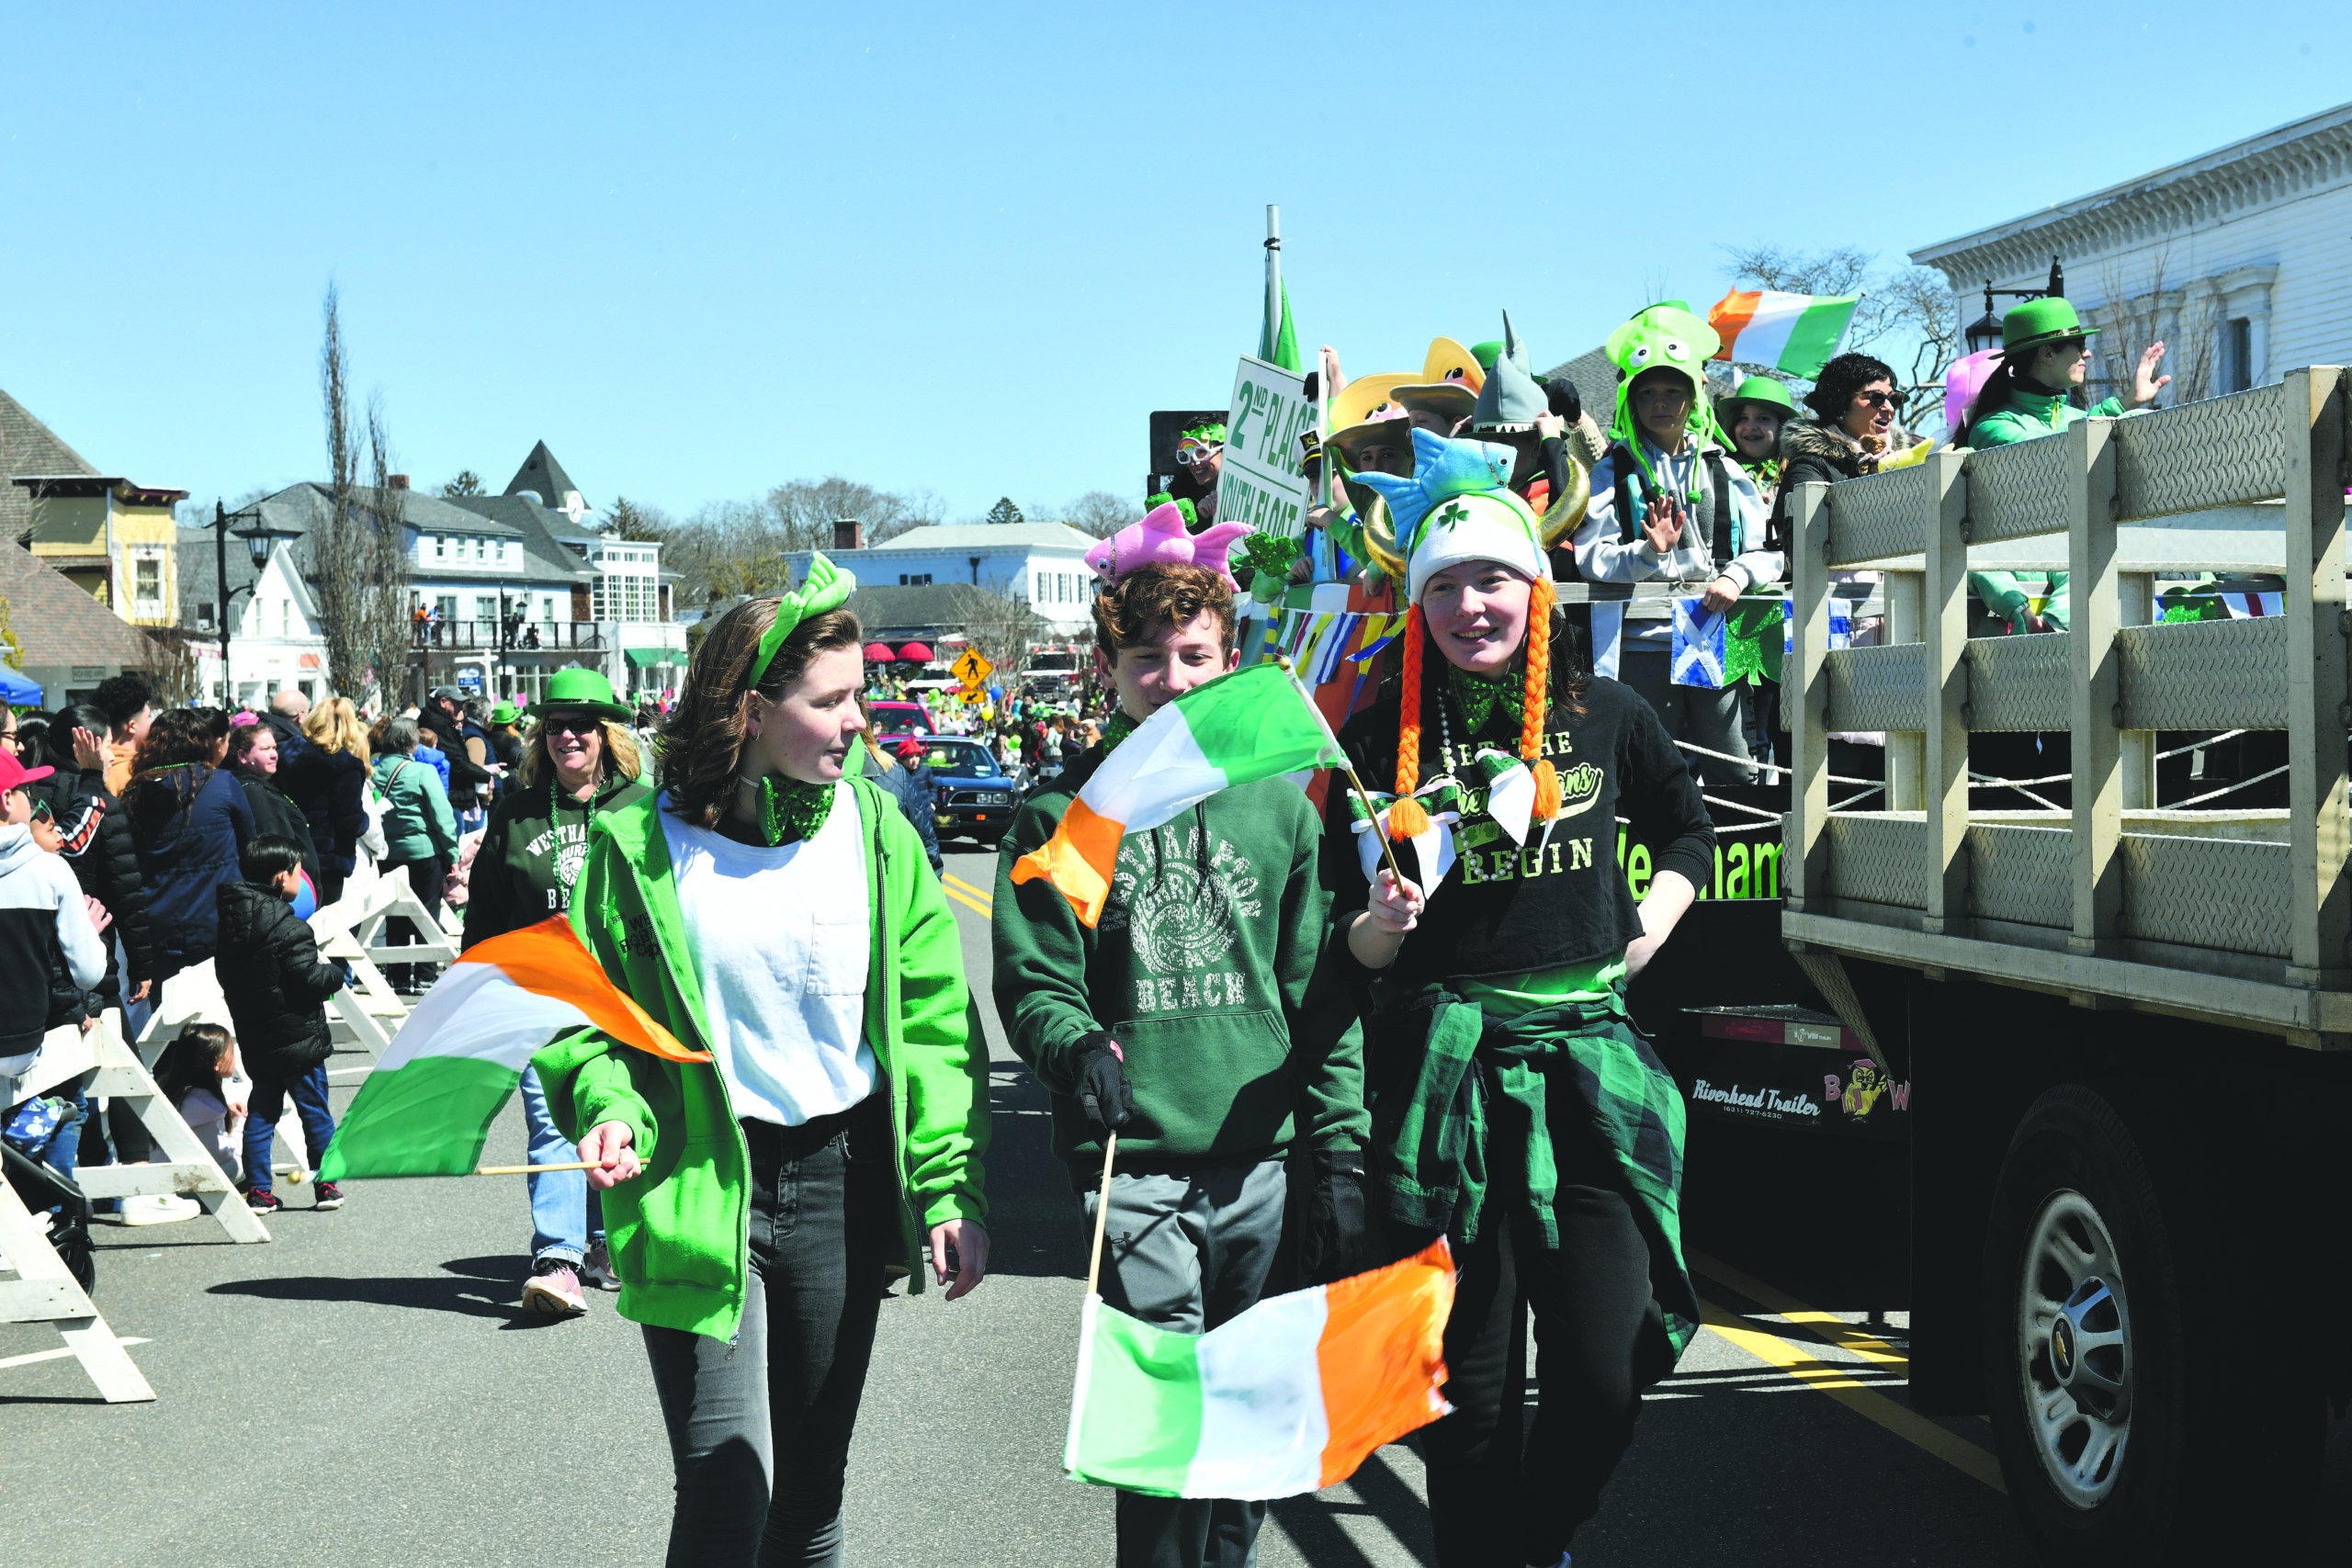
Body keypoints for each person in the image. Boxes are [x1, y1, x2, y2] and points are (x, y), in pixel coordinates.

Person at [533, 555, 990, 1563]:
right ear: (749, 711)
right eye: (831, 702)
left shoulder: (878, 831)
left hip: (840, 1183)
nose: (859, 721)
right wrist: (610, 1107)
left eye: (860, 694)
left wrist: (947, 1187)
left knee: (810, 1499)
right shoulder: (635, 842)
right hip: (701, 1177)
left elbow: (934, 1023)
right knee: (727, 1489)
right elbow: (587, 1019)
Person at [1343, 433, 1710, 1567]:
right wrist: (1376, 931)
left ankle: (1535, 1539)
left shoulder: (1606, 715)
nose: (1469, 606)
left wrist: (1652, 921)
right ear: (1419, 606)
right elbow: (1343, 936)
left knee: (1604, 1376)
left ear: (1534, 587)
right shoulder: (1374, 738)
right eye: (1443, 587)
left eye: (1492, 578)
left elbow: (1685, 825)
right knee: (1473, 1393)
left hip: (1589, 1068)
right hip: (1447, 1083)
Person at [993, 558, 1365, 1568]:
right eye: (1147, 660)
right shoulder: (1067, 813)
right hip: (1137, 1168)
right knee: (1167, 1446)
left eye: (1195, 655)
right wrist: (1073, 1048)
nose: (1174, 679)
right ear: (1107, 670)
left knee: (1246, 1438)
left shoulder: (1283, 809)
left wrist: (1338, 1148)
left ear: (1231, 657)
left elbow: (1318, 994)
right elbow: (1037, 984)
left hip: (1265, 1169)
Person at [460, 668, 650, 1316]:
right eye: (557, 726)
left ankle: (605, 1242)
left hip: (626, 994)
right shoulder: (513, 811)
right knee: (549, 1122)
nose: (569, 736)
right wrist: (475, 982)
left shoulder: (641, 805)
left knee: (611, 1117)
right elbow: (484, 908)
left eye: (583, 726)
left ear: (606, 735)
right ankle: (558, 1259)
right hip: (539, 992)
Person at [1570, 302, 1775, 785]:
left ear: (1693, 396)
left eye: (1672, 390)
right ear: (1630, 400)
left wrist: (1735, 575)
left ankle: (1736, 857)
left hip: (1721, 630)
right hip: (1644, 640)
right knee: (1651, 768)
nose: (1660, 402)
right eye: (1648, 393)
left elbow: (1767, 551)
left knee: (1734, 762)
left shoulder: (1725, 467)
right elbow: (1592, 559)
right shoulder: (1612, 471)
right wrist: (1649, 553)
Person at [217, 834, 345, 1213]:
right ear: (280, 877)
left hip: (258, 1037)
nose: (301, 876)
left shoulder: (230, 926)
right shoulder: (291, 928)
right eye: (297, 870)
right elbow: (308, 980)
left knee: (262, 1112)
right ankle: (326, 1186)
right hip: (299, 1039)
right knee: (315, 1111)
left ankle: (258, 1190)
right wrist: (334, 973)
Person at [124, 707, 255, 986]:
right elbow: (249, 844)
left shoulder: (136, 791)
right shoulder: (222, 782)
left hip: (160, 924)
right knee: (226, 1013)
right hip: (221, 920)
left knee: (168, 1019)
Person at [0, 749, 105, 1078]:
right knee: (72, 1110)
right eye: (26, 792)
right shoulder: (50, 870)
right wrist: (87, 931)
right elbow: (89, 974)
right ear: (6, 799)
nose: (31, 801)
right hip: (23, 1044)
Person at [1955, 294, 2168, 451]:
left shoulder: (2077, 419)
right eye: (2079, 344)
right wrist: (2118, 409)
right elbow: (2053, 452)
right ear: (2047, 353)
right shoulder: (1992, 428)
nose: (2088, 354)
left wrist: (2127, 403)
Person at [370, 716, 459, 995]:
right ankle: (424, 976)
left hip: (386, 854)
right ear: (412, 741)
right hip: (423, 853)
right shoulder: (423, 771)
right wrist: (452, 852)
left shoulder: (372, 772)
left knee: (395, 915)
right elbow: (442, 816)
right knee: (426, 915)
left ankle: (398, 977)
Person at [226, 720, 325, 917]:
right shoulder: (253, 791)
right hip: (289, 902)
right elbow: (278, 848)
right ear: (242, 756)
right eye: (264, 749)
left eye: (274, 747)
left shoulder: (259, 786)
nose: (274, 754)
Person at [283, 696, 370, 907]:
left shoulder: (289, 753)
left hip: (291, 850)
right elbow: (350, 820)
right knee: (325, 924)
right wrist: (365, 821)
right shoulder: (345, 765)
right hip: (328, 858)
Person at [153, 1021, 244, 1188]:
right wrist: (241, 1126)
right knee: (245, 1162)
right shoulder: (209, 1105)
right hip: (182, 1184)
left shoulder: (169, 1090)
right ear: (216, 1062)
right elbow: (222, 1155)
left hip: (156, 1175)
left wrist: (226, 1113)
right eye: (231, 1052)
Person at [860, 727, 941, 874]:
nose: (914, 760)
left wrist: (933, 802)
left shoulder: (924, 771)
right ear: (902, 758)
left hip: (924, 813)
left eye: (917, 756)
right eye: (910, 757)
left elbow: (933, 786)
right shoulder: (897, 773)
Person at [1717, 375, 1796, 512]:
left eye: (1763, 418)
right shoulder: (1716, 472)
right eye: (1743, 418)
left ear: (1782, 427)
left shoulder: (1798, 476)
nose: (1750, 426)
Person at [93, 672, 154, 795]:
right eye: (149, 716)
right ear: (132, 726)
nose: (152, 723)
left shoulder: (90, 767)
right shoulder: (137, 775)